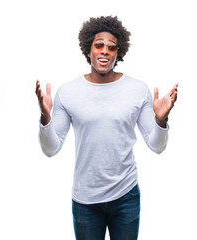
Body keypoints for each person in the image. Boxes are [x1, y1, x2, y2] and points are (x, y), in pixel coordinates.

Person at [35, 16, 178, 240]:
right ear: (88, 48)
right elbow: (51, 149)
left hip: (126, 196)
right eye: (99, 45)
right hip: (86, 200)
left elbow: (156, 146)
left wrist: (161, 120)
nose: (105, 51)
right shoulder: (68, 92)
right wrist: (45, 117)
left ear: (118, 53)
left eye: (111, 47)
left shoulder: (137, 89)